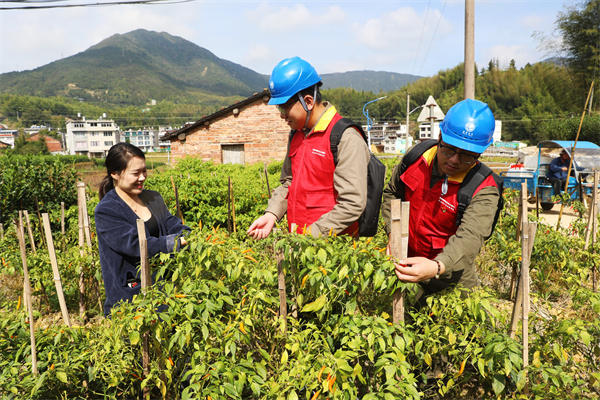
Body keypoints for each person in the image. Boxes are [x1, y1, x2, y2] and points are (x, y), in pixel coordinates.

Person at [381, 99, 501, 308]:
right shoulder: (416, 158)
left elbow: (470, 237)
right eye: (448, 150)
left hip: (452, 276)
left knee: (470, 334)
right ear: (439, 138)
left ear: (480, 153)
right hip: (407, 265)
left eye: (467, 156)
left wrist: (438, 266)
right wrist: (393, 233)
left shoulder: (483, 187)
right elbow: (392, 194)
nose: (454, 160)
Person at [247, 57, 370, 239]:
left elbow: (352, 203)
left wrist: (309, 236)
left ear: (308, 101)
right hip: (298, 244)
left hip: (331, 253)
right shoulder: (296, 134)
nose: (282, 116)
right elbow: (288, 182)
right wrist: (271, 214)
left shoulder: (345, 137)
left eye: (284, 108)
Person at [95, 143, 190, 316]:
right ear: (115, 174)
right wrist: (175, 242)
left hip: (164, 290)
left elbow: (173, 224)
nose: (142, 177)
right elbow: (136, 245)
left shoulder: (153, 198)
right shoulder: (107, 210)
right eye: (135, 173)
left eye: (144, 171)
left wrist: (190, 235)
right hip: (130, 297)